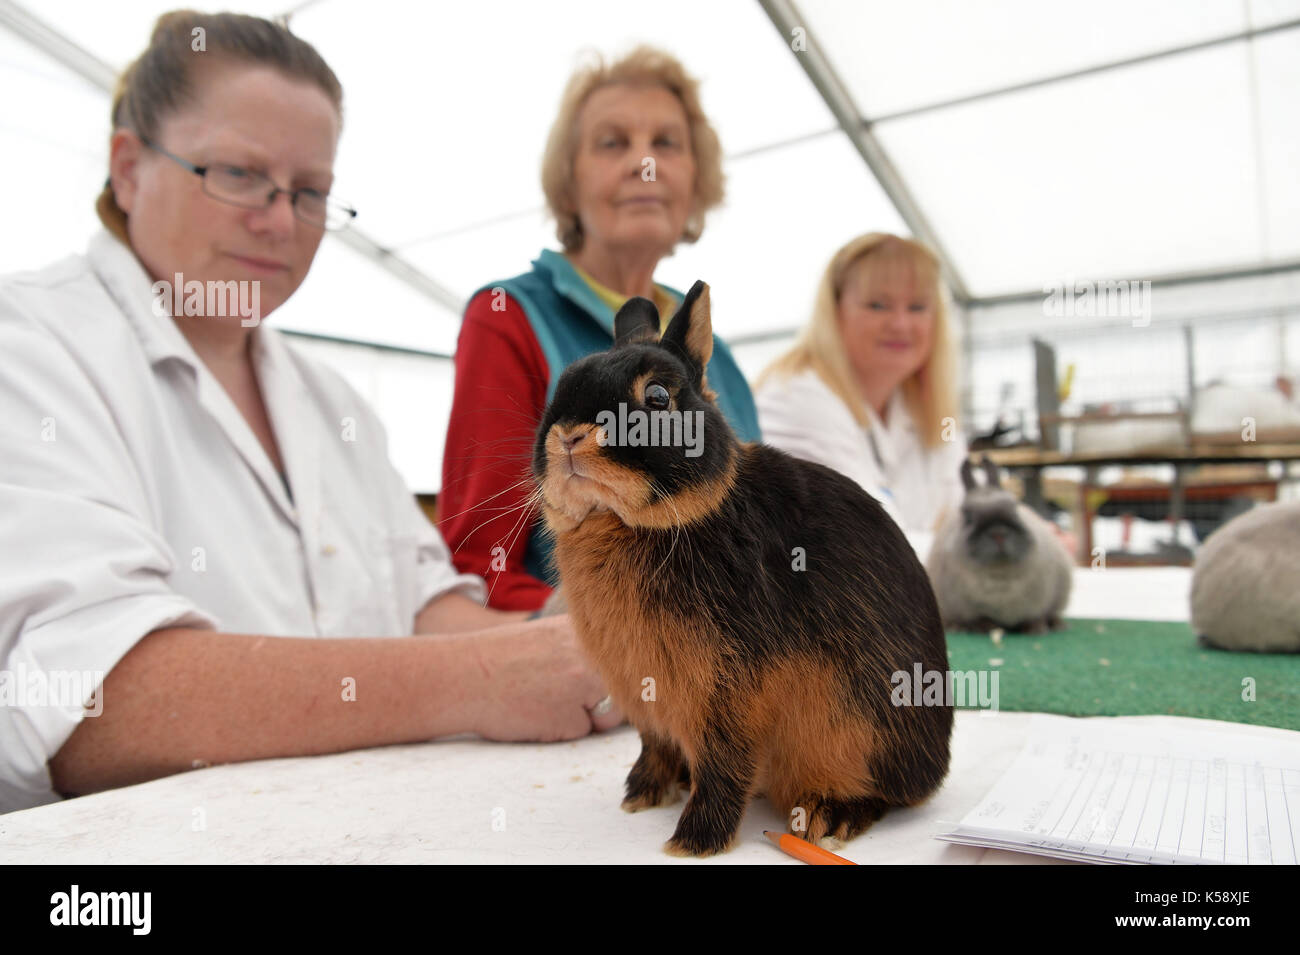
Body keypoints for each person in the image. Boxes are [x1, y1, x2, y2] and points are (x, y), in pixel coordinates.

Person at [0, 11, 619, 814]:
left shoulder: (331, 402)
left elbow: (423, 603)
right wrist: (486, 678)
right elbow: (90, 697)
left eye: (311, 192)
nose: (280, 221)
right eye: (237, 174)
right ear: (128, 168)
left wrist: (577, 632)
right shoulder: (31, 347)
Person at [439, 46, 761, 611]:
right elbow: (478, 566)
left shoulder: (720, 359)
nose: (645, 163)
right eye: (613, 142)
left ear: (696, 180)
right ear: (568, 182)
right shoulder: (507, 317)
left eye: (666, 143)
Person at [753, 233, 968, 562]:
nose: (900, 324)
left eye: (918, 307)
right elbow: (873, 544)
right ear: (835, 312)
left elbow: (967, 509)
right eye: (877, 305)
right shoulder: (797, 399)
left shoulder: (929, 411)